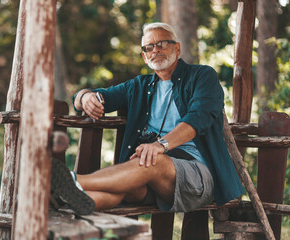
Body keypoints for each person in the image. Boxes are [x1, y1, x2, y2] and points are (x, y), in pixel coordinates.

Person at [50, 22, 243, 215]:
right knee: (125, 186)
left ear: (177, 48)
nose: (155, 50)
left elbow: (198, 118)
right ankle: (63, 203)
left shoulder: (202, 76)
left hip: (196, 175)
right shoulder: (139, 86)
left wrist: (161, 145)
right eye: (149, 47)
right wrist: (85, 97)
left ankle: (70, 180)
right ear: (144, 56)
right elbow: (92, 97)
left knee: (151, 161)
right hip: (146, 172)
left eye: (162, 43)